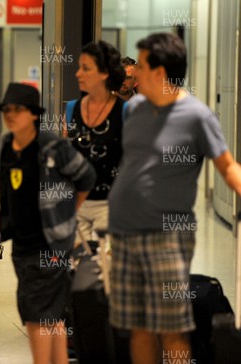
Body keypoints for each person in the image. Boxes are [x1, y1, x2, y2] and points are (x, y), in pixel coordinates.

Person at [108, 32, 241, 363]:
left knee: (171, 328)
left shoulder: (197, 115)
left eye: (141, 65)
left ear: (161, 72)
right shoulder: (135, 108)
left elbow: (227, 167)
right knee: (138, 327)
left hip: (167, 236)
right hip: (124, 233)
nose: (134, 73)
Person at [0, 83, 96, 364]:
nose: (10, 115)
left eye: (18, 110)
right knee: (52, 314)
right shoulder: (8, 144)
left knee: (36, 315)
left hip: (50, 242)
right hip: (22, 242)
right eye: (7, 109)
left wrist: (68, 210)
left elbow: (86, 176)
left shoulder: (52, 145)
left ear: (34, 115)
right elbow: (7, 190)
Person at [66, 41, 126, 245]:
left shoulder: (125, 111)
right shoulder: (71, 109)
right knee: (74, 271)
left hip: (111, 205)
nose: (78, 74)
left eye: (86, 68)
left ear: (105, 73)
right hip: (77, 204)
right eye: (78, 67)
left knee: (106, 272)